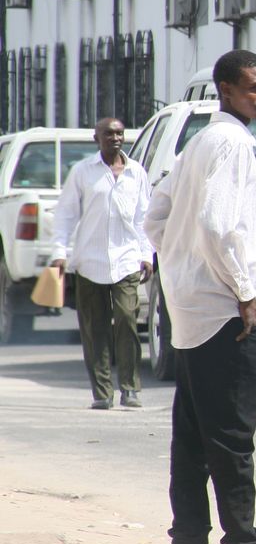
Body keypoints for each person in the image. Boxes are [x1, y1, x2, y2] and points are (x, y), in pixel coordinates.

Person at [145, 49, 256, 544]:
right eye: (253, 87)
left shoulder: (200, 143)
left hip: (193, 307)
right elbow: (216, 224)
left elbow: (156, 215)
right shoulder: (230, 143)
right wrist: (242, 292)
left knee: (193, 435)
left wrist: (182, 267)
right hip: (220, 311)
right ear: (225, 91)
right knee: (233, 437)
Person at [50, 117, 153, 410]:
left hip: (126, 260)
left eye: (119, 133)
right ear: (97, 139)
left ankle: (130, 389)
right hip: (89, 261)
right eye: (108, 134)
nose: (115, 138)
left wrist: (147, 254)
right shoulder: (83, 172)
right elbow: (66, 214)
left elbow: (143, 217)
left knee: (127, 322)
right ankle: (102, 392)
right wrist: (60, 250)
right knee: (95, 329)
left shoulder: (136, 173)